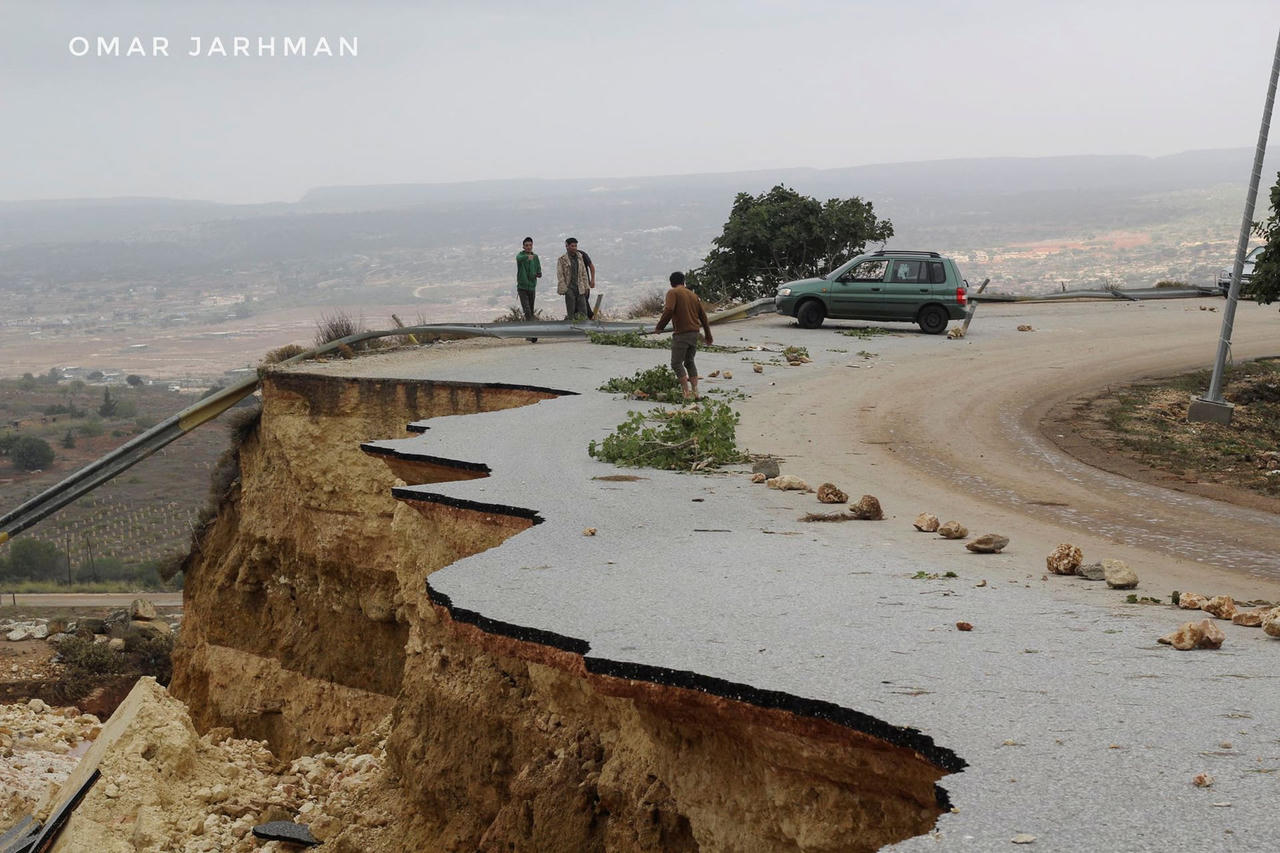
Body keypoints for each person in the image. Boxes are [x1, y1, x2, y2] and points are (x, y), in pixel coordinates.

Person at [655, 271, 713, 401]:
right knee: (689, 362)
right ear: (683, 282)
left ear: (671, 283)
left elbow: (669, 310)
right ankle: (695, 391)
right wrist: (708, 335)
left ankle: (686, 392)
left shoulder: (673, 292)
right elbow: (703, 317)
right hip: (694, 333)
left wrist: (660, 327)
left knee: (676, 363)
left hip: (682, 333)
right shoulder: (693, 295)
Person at [556, 237, 591, 321]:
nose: (574, 248)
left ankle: (584, 329)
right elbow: (560, 275)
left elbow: (584, 273)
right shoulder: (562, 259)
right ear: (567, 246)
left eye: (575, 246)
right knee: (571, 311)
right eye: (572, 246)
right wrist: (565, 289)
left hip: (580, 287)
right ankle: (571, 328)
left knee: (583, 311)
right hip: (569, 288)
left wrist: (586, 286)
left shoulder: (580, 257)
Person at [515, 237, 541, 342]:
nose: (529, 247)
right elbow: (519, 259)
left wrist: (538, 274)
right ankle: (532, 333)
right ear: (523, 246)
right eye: (526, 245)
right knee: (527, 310)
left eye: (530, 245)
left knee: (531, 309)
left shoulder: (535, 257)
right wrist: (527, 257)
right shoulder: (521, 256)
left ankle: (530, 333)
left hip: (532, 287)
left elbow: (538, 268)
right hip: (522, 287)